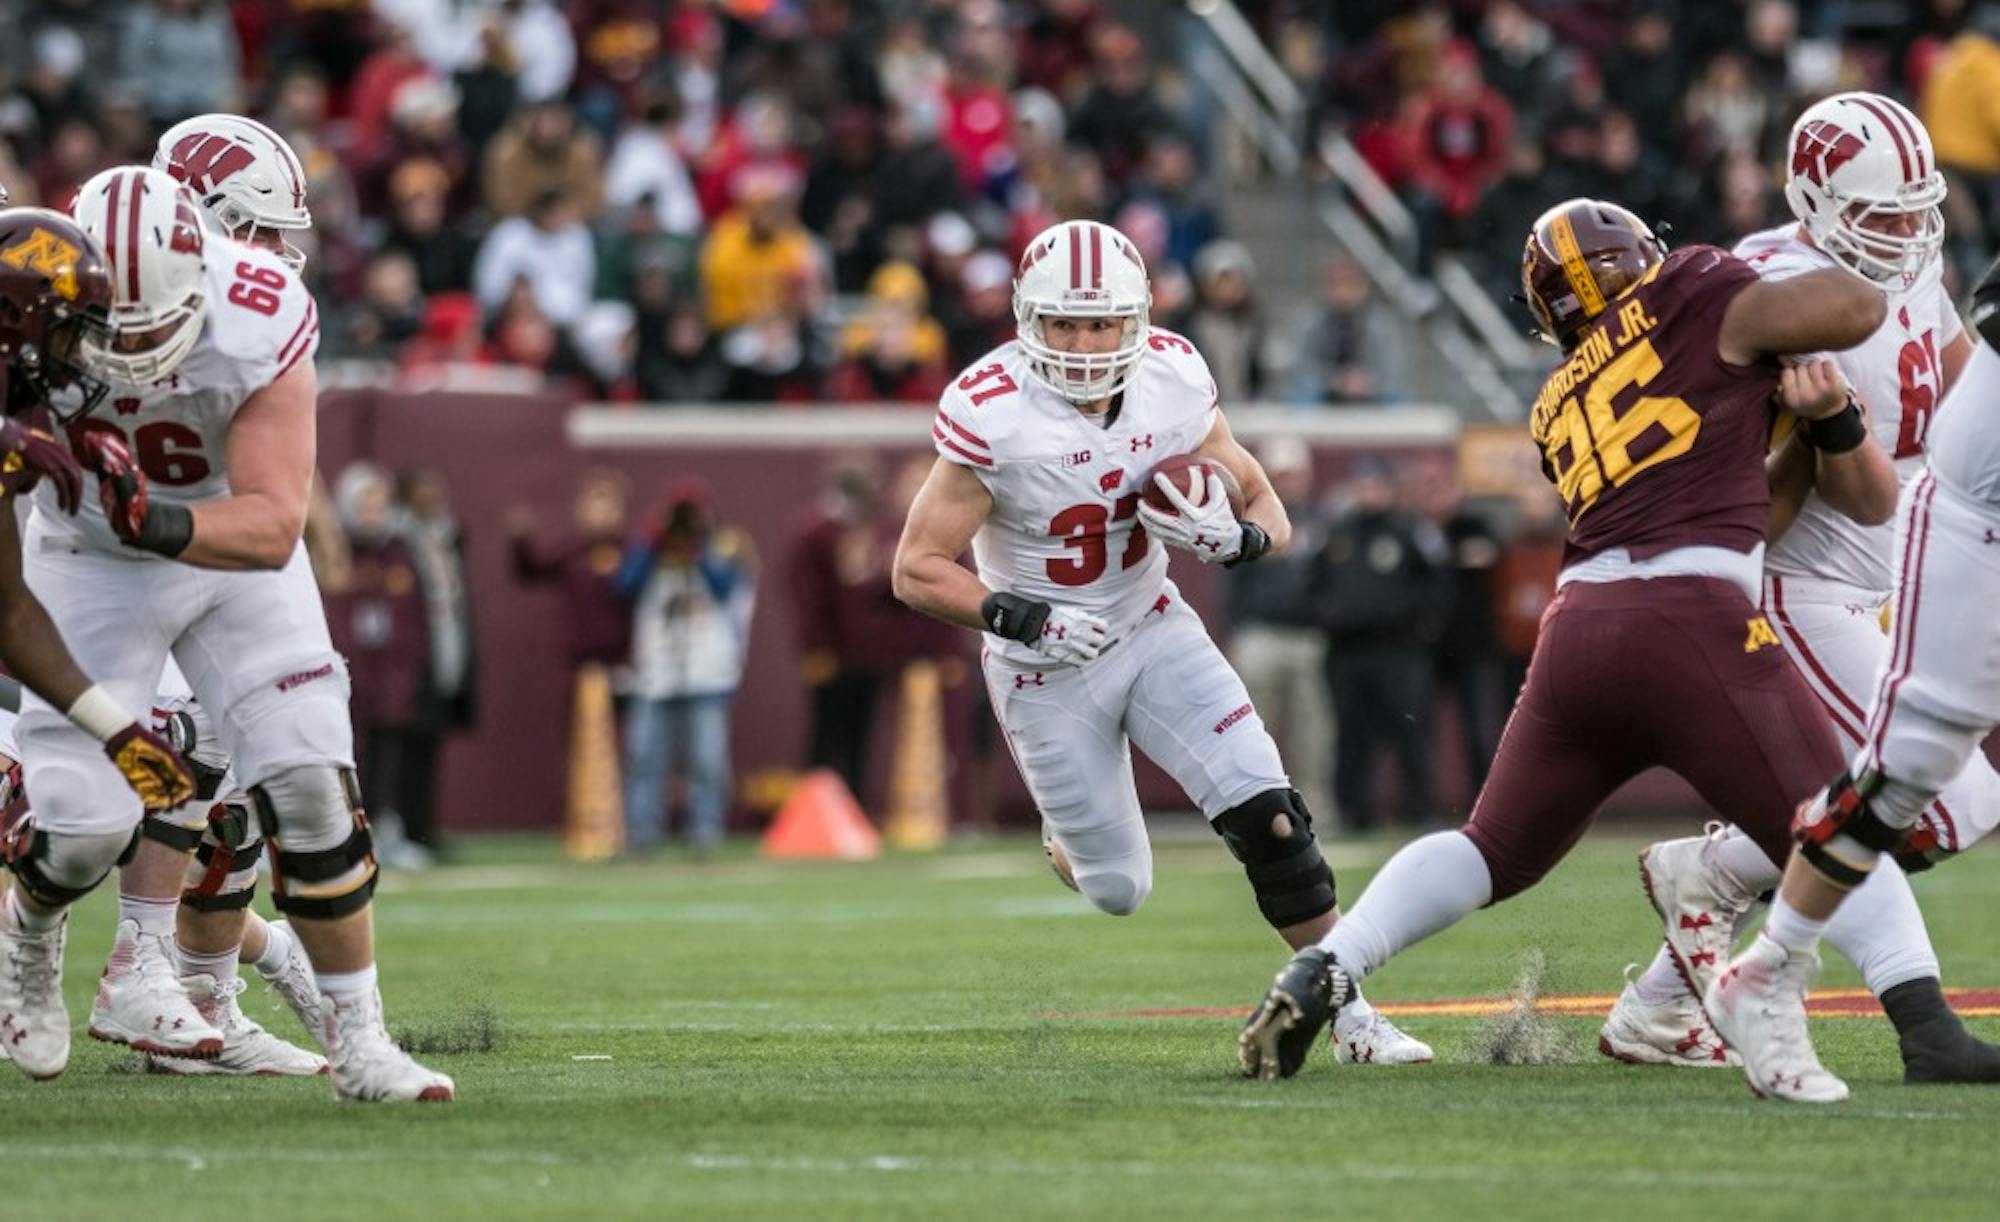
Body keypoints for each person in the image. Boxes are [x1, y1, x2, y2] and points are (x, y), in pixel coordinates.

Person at [1238, 197, 1888, 1080]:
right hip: (1692, 615)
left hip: (1580, 630)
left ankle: (1331, 964)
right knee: (1832, 824)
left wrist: (1811, 434)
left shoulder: (1557, 398)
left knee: (1490, 849)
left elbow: (1733, 508)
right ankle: (1916, 1018)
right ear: (1637, 257)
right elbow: (1856, 308)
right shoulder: (1693, 287)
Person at [892, 218, 1430, 1066]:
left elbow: (1266, 506)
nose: (1081, 342)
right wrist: (1025, 616)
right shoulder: (991, 411)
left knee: (1272, 816)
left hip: (1149, 624)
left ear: (1137, 317)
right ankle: (1068, 838)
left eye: (1100, 321)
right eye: (1063, 323)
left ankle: (1353, 1015)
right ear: (1028, 320)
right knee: (1118, 889)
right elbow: (917, 569)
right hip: (1044, 667)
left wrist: (1239, 541)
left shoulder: (1174, 378)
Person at [3, 165, 452, 1101]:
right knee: (85, 831)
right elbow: (7, 607)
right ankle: (33, 930)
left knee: (310, 778)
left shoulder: (259, 309)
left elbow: (273, 525)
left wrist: (157, 522)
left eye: (157, 327)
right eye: (106, 331)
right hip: (84, 568)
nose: (135, 358)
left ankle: (361, 1039)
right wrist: (113, 728)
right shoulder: (22, 327)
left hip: (225, 548)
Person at [1606, 93, 2000, 1085]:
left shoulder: (1906, 254)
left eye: (1918, 211)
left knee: (1904, 796)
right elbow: (1819, 504)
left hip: (1874, 581)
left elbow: (1951, 384)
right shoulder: (1778, 299)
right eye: (1880, 215)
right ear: (1810, 201)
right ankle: (1905, 1013)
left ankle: (1673, 966)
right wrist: (1834, 430)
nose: (1905, 233)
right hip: (1789, 582)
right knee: (1943, 802)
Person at [1308, 457, 1451, 831]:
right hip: (1347, 651)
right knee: (1351, 734)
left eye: (1376, 485)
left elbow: (1437, 585)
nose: (1369, 493)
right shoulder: (1337, 533)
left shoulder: (1409, 531)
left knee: (1410, 729)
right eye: (1363, 486)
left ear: (1388, 489)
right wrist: (1329, 617)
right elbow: (1312, 585)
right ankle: (1354, 812)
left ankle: (1418, 808)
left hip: (1399, 651)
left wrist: (1421, 630)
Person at [618, 484, 756, 856]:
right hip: (655, 674)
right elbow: (624, 586)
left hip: (705, 673)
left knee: (707, 762)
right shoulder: (650, 554)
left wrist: (700, 546)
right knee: (646, 760)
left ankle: (705, 834)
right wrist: (653, 540)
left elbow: (726, 588)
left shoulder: (718, 551)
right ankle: (642, 836)